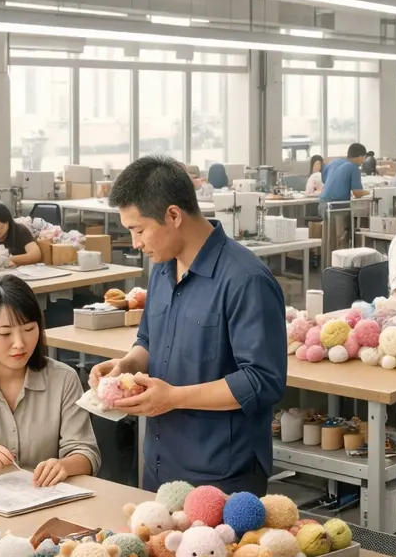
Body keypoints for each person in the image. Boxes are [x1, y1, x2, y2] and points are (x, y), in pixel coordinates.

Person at [89, 156, 286, 494]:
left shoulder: (245, 279)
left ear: (174, 215)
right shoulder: (164, 268)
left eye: (138, 230)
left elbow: (262, 380)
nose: (135, 243)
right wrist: (127, 365)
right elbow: (150, 339)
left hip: (221, 472)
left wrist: (173, 398)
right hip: (161, 460)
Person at [0, 274, 98, 485]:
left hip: (46, 498)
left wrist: (63, 466)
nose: (19, 343)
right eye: (5, 334)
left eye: (29, 329)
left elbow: (85, 451)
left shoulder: (64, 378)